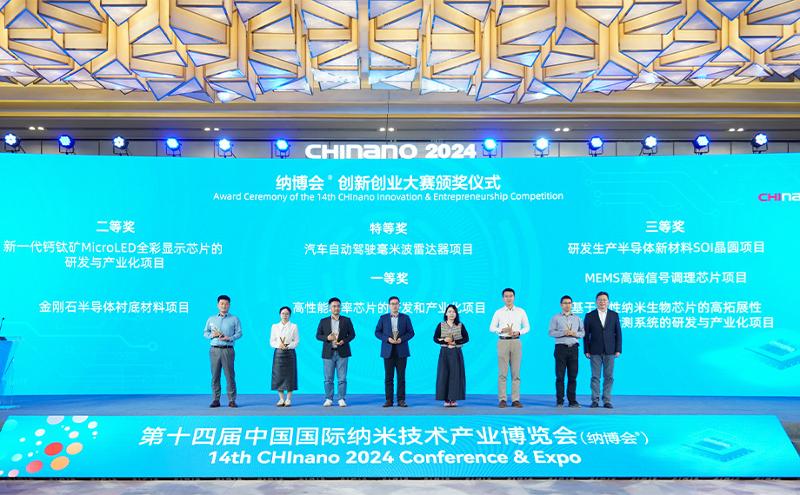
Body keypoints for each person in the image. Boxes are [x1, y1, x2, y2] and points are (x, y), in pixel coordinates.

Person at [489, 287, 529, 408]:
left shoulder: (521, 311)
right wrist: (501, 330)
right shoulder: (498, 312)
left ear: (514, 297)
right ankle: (502, 399)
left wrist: (519, 332)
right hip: (503, 341)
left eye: (510, 296)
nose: (508, 298)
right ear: (503, 298)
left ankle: (515, 399)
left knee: (516, 373)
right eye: (506, 296)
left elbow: (527, 327)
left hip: (516, 341)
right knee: (502, 373)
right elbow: (491, 328)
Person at [583, 291, 622, 409]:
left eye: (604, 300)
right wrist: (586, 350)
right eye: (600, 300)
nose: (602, 302)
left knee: (609, 376)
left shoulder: (614, 315)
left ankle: (607, 400)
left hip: (610, 350)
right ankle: (595, 400)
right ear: (596, 302)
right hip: (594, 350)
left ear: (608, 302)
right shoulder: (589, 315)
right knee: (595, 377)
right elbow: (586, 335)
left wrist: (618, 349)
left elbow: (618, 333)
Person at [203, 294, 242, 408]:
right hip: (214, 350)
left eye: (226, 304)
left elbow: (239, 333)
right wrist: (212, 335)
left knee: (230, 376)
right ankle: (216, 399)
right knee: (215, 376)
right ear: (218, 305)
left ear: (229, 305)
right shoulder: (211, 319)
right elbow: (205, 332)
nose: (224, 306)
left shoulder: (234, 319)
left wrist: (229, 338)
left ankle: (232, 400)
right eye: (222, 303)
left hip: (227, 349)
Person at [375, 296, 415, 407]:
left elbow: (411, 333)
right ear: (389, 305)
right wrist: (387, 339)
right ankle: (389, 400)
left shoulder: (405, 318)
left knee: (401, 377)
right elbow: (377, 332)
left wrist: (401, 339)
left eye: (396, 303)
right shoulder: (383, 318)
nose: (394, 306)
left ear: (399, 305)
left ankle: (401, 400)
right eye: (392, 304)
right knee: (388, 377)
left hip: (402, 351)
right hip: (388, 351)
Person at [316, 297, 356, 407]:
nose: (336, 308)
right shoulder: (323, 321)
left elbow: (352, 334)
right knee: (328, 378)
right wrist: (327, 338)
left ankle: (341, 398)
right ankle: (329, 398)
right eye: (334, 306)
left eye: (338, 306)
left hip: (342, 352)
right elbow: (318, 336)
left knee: (342, 378)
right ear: (330, 307)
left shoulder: (346, 320)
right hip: (328, 353)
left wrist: (344, 341)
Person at [549, 295, 584, 408]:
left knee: (573, 376)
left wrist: (574, 334)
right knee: (560, 376)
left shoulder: (577, 318)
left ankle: (572, 401)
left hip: (573, 348)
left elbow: (583, 333)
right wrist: (563, 333)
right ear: (561, 305)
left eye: (569, 303)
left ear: (572, 304)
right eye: (565, 303)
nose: (567, 305)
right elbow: (551, 332)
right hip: (561, 348)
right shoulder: (556, 318)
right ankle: (560, 401)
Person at [434, 304, 469, 407]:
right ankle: (446, 399)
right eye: (449, 311)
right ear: (446, 313)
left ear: (456, 314)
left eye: (453, 312)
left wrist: (455, 342)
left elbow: (466, 338)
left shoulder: (460, 325)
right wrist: (444, 340)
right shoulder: (441, 325)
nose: (451, 314)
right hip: (444, 352)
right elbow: (435, 338)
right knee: (443, 375)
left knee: (455, 375)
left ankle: (453, 399)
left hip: (456, 352)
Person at [270, 306, 299, 407]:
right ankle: (281, 399)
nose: (285, 315)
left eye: (287, 314)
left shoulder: (294, 326)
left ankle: (288, 399)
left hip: (290, 353)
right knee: (278, 376)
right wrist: (279, 345)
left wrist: (288, 346)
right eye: (283, 313)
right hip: (279, 353)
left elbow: (296, 341)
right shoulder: (275, 326)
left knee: (290, 376)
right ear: (280, 315)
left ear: (290, 315)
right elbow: (272, 341)